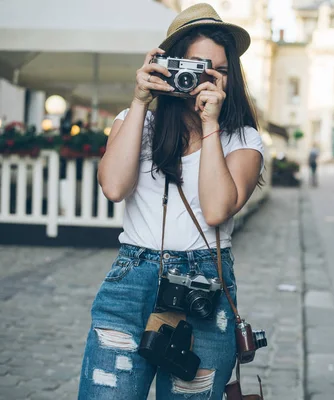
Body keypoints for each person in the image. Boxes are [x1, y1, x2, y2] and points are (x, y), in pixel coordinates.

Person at [77, 4, 264, 399]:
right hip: (132, 279)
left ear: (230, 78)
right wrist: (141, 100)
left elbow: (216, 210)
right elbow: (113, 188)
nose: (202, 79)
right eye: (194, 66)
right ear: (167, 63)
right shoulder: (135, 122)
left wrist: (211, 124)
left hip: (205, 286)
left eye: (217, 70)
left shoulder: (241, 139)